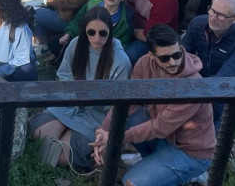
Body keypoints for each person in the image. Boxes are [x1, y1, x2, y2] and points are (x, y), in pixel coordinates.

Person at [92, 25, 214, 186]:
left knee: (131, 182)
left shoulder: (193, 85)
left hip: (190, 152)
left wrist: (114, 138)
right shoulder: (144, 64)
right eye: (165, 58)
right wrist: (104, 130)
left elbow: (160, 127)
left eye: (177, 55)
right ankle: (155, 162)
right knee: (125, 118)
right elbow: (129, 100)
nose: (173, 62)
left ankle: (189, 173)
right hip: (165, 138)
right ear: (151, 55)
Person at [30, 7, 131, 171]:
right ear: (84, 30)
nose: (96, 38)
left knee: (63, 155)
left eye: (102, 33)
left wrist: (91, 97)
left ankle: (62, 150)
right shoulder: (76, 43)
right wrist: (75, 92)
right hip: (70, 101)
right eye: (91, 32)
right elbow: (64, 73)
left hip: (96, 113)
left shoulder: (121, 61)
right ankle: (55, 146)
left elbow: (116, 104)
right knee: (39, 134)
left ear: (110, 31)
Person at [181, 0, 235, 123]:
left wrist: (194, 90)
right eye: (212, 11)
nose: (213, 17)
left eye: (221, 15)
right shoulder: (197, 23)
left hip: (232, 85)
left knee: (214, 112)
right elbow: (183, 56)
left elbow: (225, 77)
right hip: (202, 75)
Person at [60, 0, 135, 48]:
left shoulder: (126, 18)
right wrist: (68, 34)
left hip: (106, 51)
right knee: (54, 42)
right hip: (84, 42)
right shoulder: (93, 3)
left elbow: (123, 43)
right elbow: (78, 20)